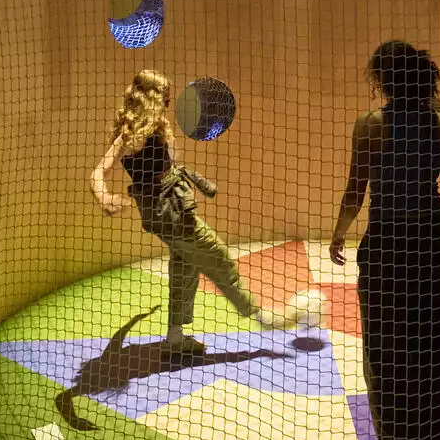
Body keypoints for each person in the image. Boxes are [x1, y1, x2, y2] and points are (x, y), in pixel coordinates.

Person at [92, 68, 301, 354]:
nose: (169, 102)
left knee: (184, 266)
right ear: (151, 98)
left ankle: (175, 337)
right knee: (219, 258)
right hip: (171, 212)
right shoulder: (133, 136)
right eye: (164, 97)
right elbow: (98, 172)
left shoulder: (145, 129)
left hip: (161, 215)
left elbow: (164, 161)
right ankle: (263, 317)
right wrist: (105, 197)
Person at [329, 40, 440, 440]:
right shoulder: (437, 124)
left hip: (390, 248)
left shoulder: (372, 125)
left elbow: (357, 187)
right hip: (431, 242)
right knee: (426, 353)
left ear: (382, 78)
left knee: (387, 358)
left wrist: (338, 231)